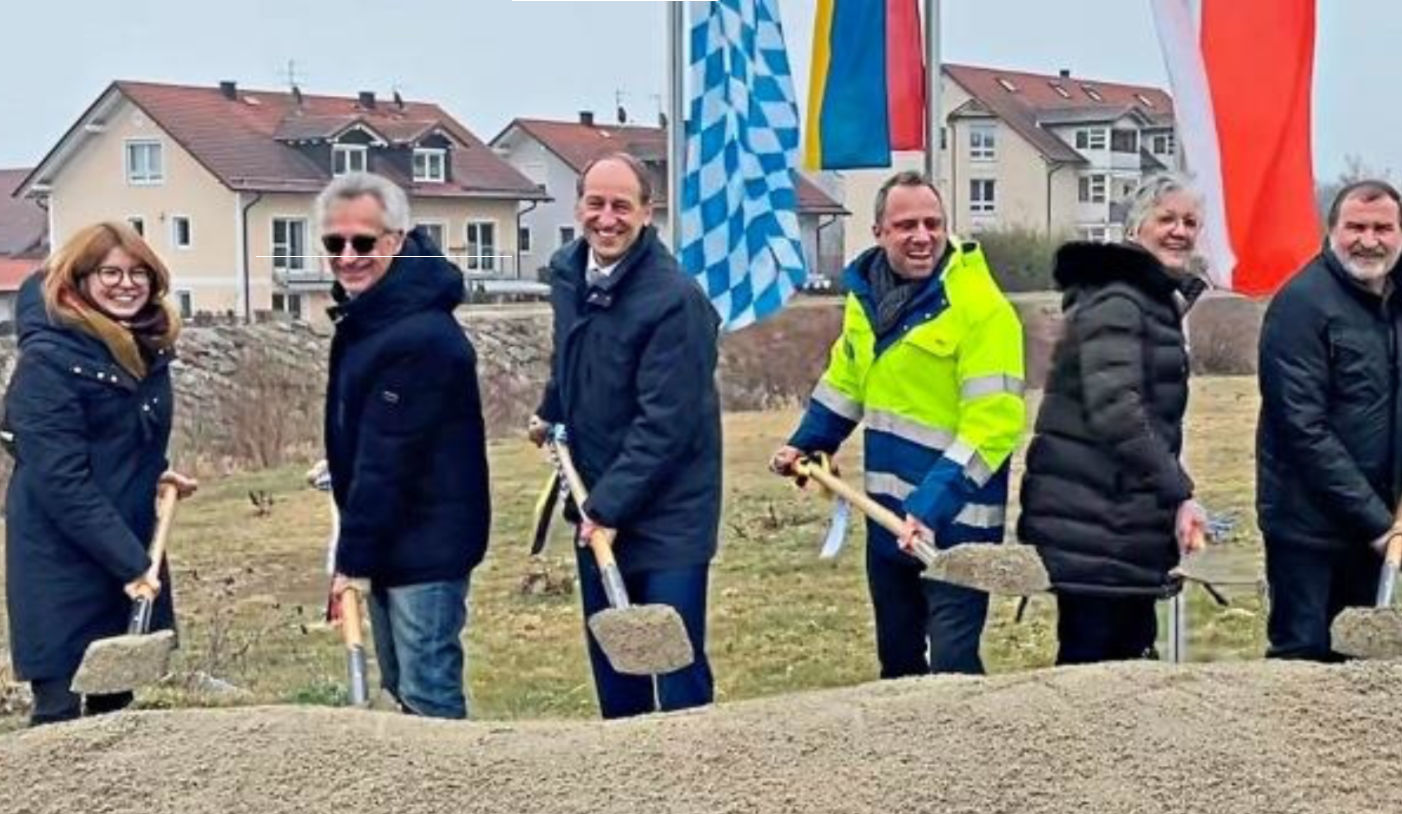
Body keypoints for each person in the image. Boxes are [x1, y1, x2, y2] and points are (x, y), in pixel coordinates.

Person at [769, 170, 1026, 678]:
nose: (922, 236)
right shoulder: (867, 304)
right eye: (906, 225)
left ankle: (963, 758)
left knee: (952, 670)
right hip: (886, 523)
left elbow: (993, 425)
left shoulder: (983, 310)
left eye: (933, 223)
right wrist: (805, 445)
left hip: (956, 527)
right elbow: (846, 383)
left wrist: (929, 507)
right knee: (898, 667)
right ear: (879, 232)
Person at [529, 153, 722, 718]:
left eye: (621, 206)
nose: (606, 219)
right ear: (578, 207)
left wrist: (607, 506)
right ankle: (627, 790)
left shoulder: (675, 302)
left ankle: (699, 778)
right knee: (617, 669)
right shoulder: (569, 274)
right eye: (596, 204)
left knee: (673, 663)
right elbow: (573, 360)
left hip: (669, 516)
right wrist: (549, 410)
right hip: (599, 507)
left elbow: (666, 424)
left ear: (646, 212)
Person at [3, 221, 196, 726]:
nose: (125, 283)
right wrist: (132, 565)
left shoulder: (143, 350)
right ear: (79, 280)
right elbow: (59, 480)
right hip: (60, 556)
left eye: (138, 272)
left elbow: (125, 440)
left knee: (116, 706)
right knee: (61, 712)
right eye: (109, 271)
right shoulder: (47, 363)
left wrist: (161, 474)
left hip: (126, 541)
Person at [1015, 175, 1210, 665]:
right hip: (1094, 523)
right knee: (1094, 677)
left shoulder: (1150, 300)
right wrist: (1180, 491)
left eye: (1189, 222)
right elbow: (1117, 410)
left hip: (1123, 523)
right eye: (1166, 219)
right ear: (1133, 230)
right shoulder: (1120, 299)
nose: (1179, 231)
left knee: (1127, 669)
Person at [320, 172, 490, 719]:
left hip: (427, 544)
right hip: (392, 539)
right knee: (400, 692)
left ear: (396, 240)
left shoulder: (420, 336)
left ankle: (455, 797)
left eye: (364, 242)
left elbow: (387, 459)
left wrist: (351, 560)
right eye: (334, 243)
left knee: (427, 695)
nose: (348, 256)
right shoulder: (370, 319)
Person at [1257, 180, 1402, 662]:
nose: (1368, 240)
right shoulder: (1301, 305)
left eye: (1383, 228)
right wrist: (1377, 524)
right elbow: (1302, 429)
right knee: (1307, 656)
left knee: (1367, 665)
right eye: (1355, 227)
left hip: (1377, 516)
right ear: (1332, 231)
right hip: (1308, 525)